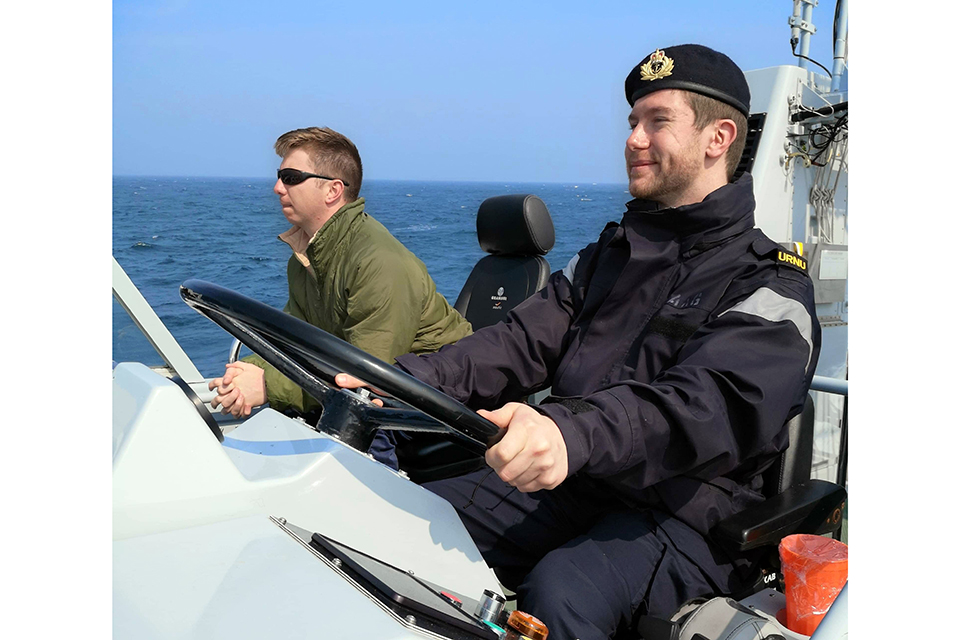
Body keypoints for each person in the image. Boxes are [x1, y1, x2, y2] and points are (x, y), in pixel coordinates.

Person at [338, 44, 821, 639]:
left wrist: (570, 433)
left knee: (560, 593)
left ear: (718, 138)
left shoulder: (770, 284)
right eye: (632, 123)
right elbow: (517, 342)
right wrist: (404, 379)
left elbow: (705, 407)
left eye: (657, 122)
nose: (634, 139)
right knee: (397, 529)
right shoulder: (608, 259)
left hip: (686, 511)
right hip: (579, 482)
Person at [210, 127, 473, 444]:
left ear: (332, 191)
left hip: (436, 410)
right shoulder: (306, 258)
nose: (277, 188)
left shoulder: (378, 262)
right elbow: (293, 338)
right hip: (378, 392)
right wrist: (245, 373)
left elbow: (368, 377)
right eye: (279, 176)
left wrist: (267, 385)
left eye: (291, 177)